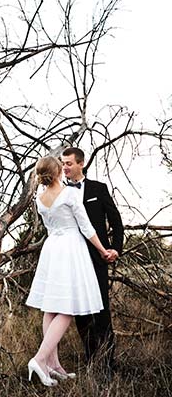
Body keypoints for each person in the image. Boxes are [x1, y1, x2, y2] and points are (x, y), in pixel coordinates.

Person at [26, 156, 111, 386]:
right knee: (67, 307)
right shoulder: (70, 194)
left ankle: (53, 365)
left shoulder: (39, 198)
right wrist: (103, 250)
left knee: (51, 306)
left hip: (52, 249)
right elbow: (86, 227)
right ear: (57, 173)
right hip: (71, 249)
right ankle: (40, 359)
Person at [61, 147, 124, 377]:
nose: (65, 167)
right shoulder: (60, 192)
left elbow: (116, 222)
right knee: (81, 314)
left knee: (102, 312)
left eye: (69, 163)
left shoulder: (99, 188)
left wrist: (115, 248)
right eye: (63, 163)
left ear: (81, 163)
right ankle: (90, 362)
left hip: (97, 259)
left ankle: (108, 365)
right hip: (72, 261)